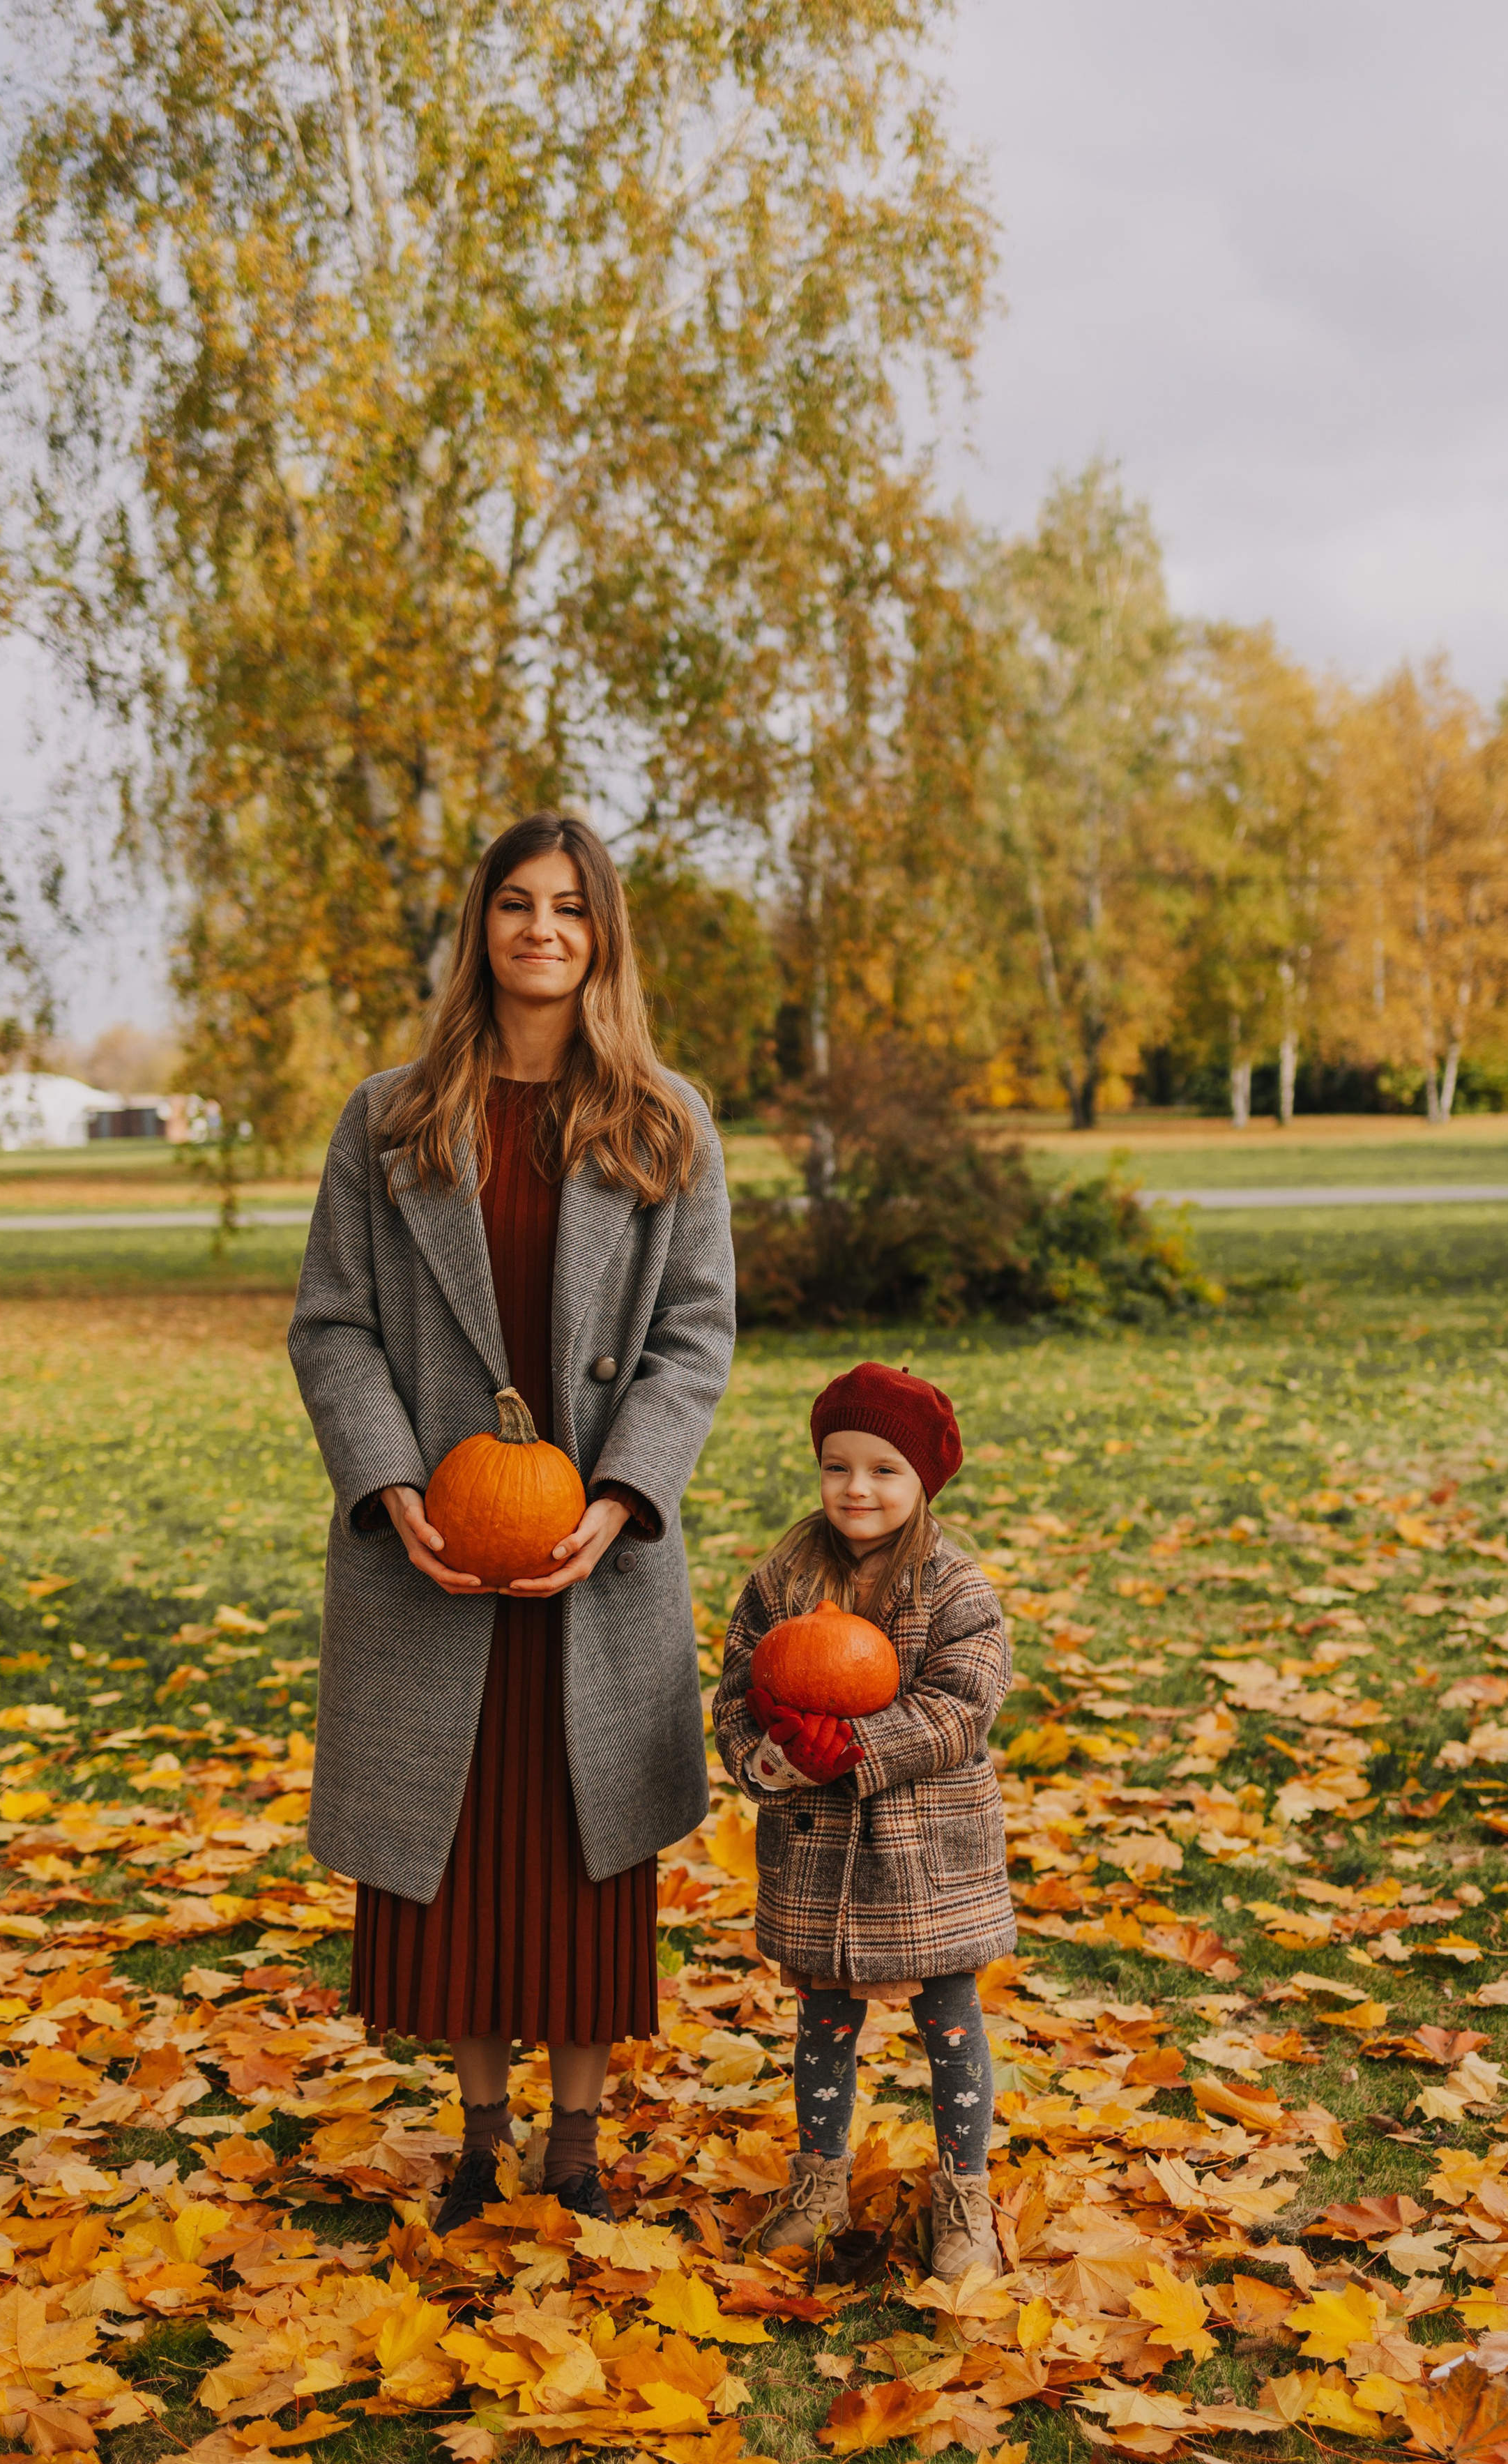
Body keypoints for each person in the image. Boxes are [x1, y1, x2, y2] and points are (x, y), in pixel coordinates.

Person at [289, 812, 735, 2228]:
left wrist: (622, 1498)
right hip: (441, 1548)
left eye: (569, 907)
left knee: (581, 1840)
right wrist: (392, 1487)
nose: (541, 929)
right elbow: (335, 1325)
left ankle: (578, 2143)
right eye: (513, 905)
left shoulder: (662, 1120)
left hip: (592, 1552)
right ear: (479, 928)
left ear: (602, 934)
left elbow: (693, 1335)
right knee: (464, 1841)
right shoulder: (392, 1119)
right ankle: (482, 2135)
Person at [711, 1362, 1014, 2276]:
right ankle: (818, 2182)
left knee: (950, 2017)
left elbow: (965, 1703)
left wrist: (863, 1746)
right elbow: (734, 1698)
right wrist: (775, 1753)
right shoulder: (781, 1582)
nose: (857, 1488)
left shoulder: (954, 1586)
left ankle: (962, 2193)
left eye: (883, 1469)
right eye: (838, 1466)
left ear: (921, 1479)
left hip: (927, 1850)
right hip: (816, 1847)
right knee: (822, 2019)